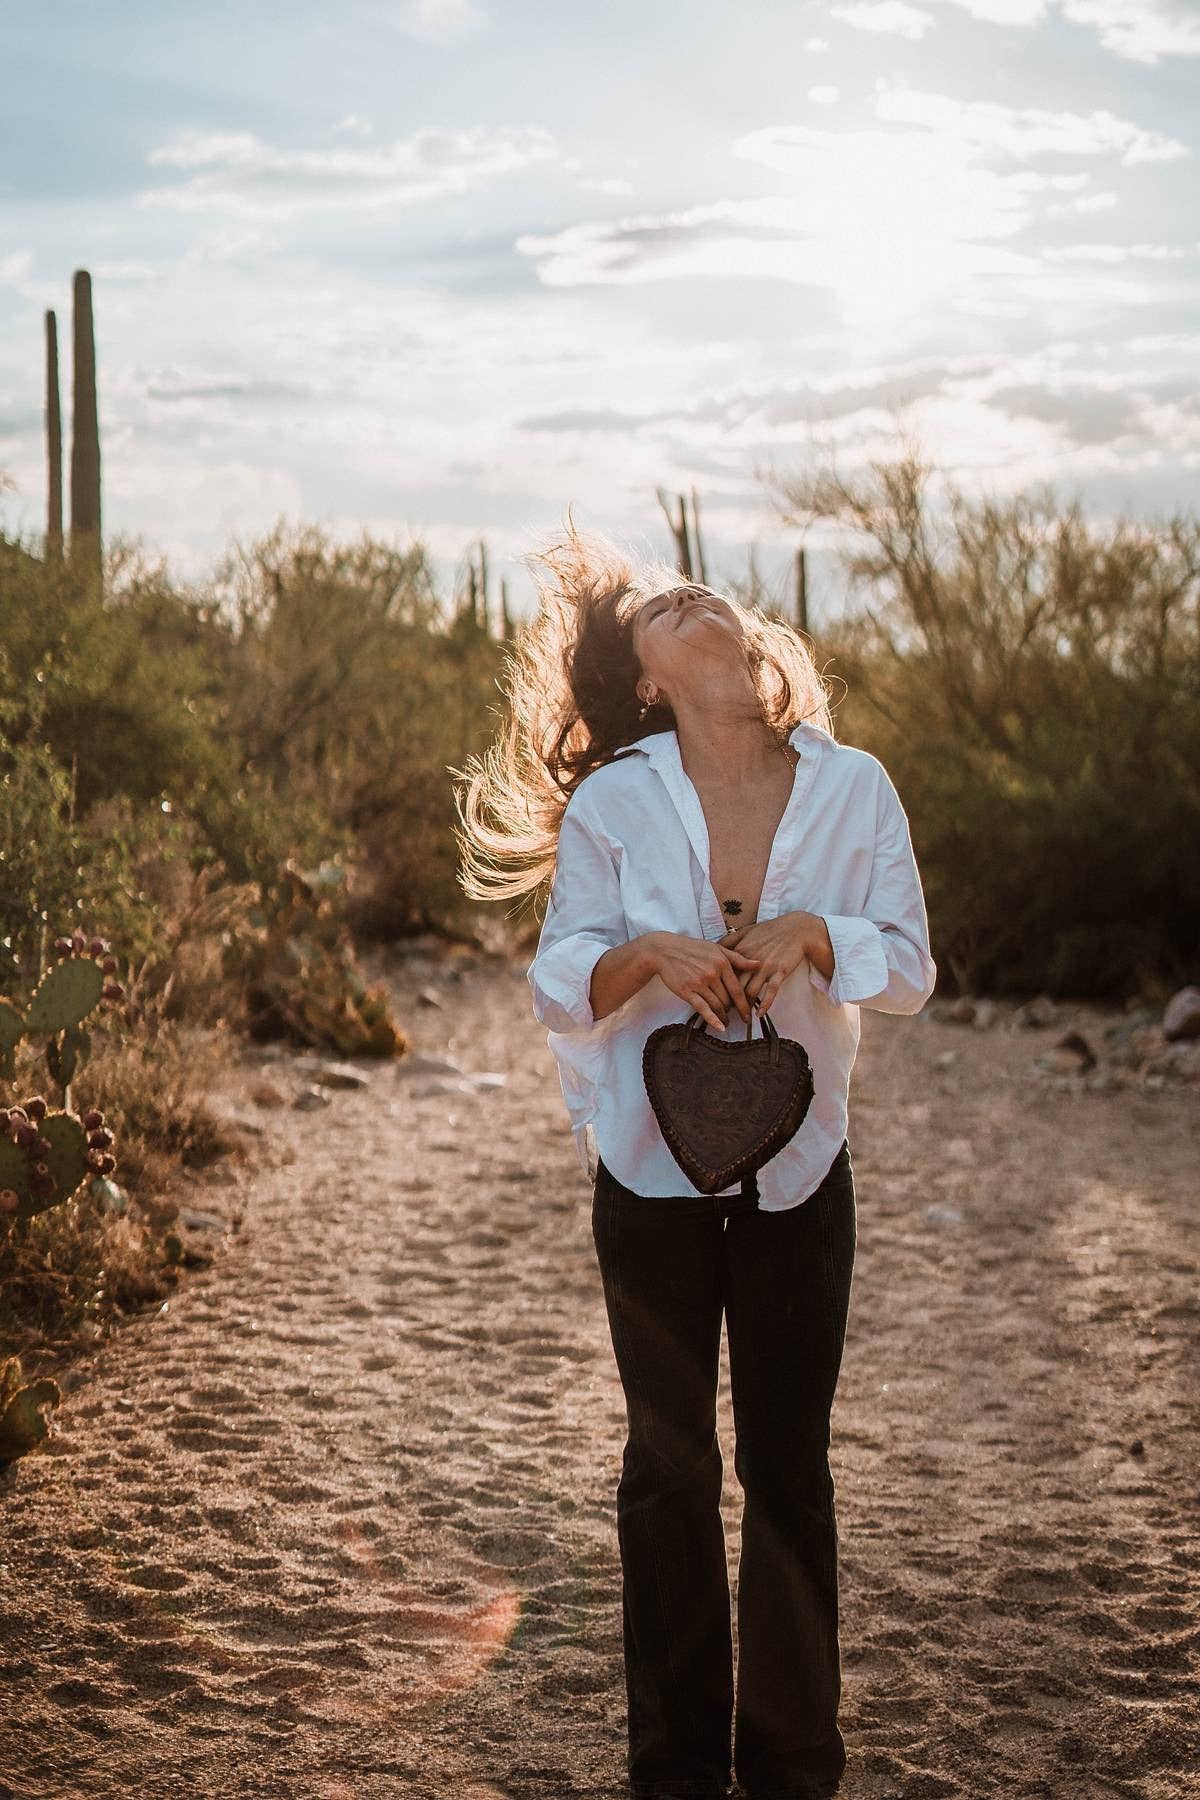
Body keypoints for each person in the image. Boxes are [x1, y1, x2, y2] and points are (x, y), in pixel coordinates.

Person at [453, 520, 937, 1800]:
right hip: (648, 1175)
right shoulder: (617, 801)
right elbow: (564, 981)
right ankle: (673, 1770)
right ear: (648, 679)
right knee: (668, 1467)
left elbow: (913, 965)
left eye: (700, 589)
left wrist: (817, 935)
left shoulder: (857, 787)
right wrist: (654, 957)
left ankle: (791, 1768)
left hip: (803, 1168)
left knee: (789, 1464)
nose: (691, 596)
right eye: (661, 607)